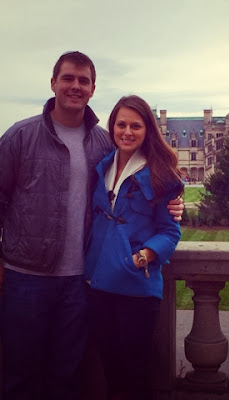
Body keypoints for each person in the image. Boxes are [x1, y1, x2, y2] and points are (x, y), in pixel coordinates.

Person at [0, 51, 184, 400]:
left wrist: (173, 205)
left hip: (79, 280)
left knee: (68, 375)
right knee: (20, 373)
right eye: (68, 78)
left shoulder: (102, 141)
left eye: (83, 80)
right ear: (53, 83)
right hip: (27, 276)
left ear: (93, 89)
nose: (75, 86)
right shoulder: (21, 136)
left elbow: (151, 187)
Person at [85, 95, 184, 400]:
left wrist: (140, 258)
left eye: (136, 126)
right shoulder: (102, 168)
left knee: (137, 374)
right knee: (111, 370)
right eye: (121, 124)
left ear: (147, 130)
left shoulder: (161, 175)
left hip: (136, 289)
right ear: (112, 127)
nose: (127, 132)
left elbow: (170, 232)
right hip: (97, 285)